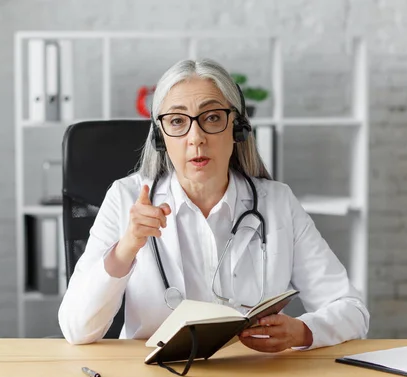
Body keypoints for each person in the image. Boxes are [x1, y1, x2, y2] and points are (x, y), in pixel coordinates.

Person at [58, 58, 369, 352]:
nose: (196, 138)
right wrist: (126, 247)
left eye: (211, 118)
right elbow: (76, 328)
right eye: (178, 121)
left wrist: (303, 331)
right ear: (159, 137)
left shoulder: (277, 204)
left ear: (237, 129)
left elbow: (353, 310)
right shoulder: (125, 198)